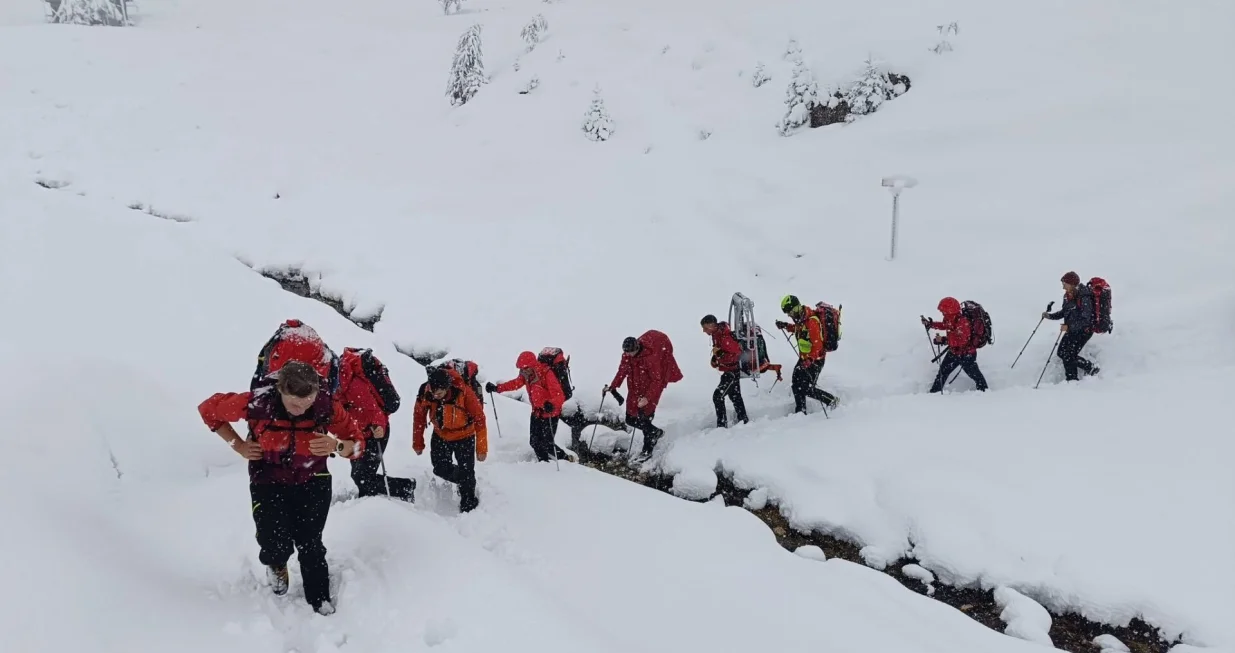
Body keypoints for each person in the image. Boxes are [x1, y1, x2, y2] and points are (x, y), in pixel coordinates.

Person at [198, 361, 366, 616]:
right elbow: (209, 410)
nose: (301, 409)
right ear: (280, 391)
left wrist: (336, 446)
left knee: (310, 541)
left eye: (307, 402)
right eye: (294, 403)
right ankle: (277, 563)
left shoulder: (326, 406)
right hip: (268, 479)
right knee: (273, 539)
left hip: (314, 478)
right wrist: (239, 445)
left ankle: (318, 596)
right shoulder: (256, 403)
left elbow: (357, 445)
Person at [337, 347, 415, 501]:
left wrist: (378, 427)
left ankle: (403, 489)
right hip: (357, 433)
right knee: (358, 475)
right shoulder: (335, 384)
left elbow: (374, 411)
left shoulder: (353, 385)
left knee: (363, 477)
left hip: (375, 433)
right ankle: (371, 503)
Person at [413, 367, 488, 512]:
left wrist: (481, 448)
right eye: (433, 392)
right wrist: (418, 442)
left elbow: (479, 419)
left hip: (465, 436)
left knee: (467, 470)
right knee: (440, 468)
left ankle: (469, 504)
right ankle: (465, 480)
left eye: (439, 392)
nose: (436, 395)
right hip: (440, 435)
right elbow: (419, 418)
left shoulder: (464, 391)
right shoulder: (426, 392)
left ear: (447, 387)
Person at [604, 330, 683, 458]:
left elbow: (657, 380)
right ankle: (655, 432)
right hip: (634, 390)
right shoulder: (627, 355)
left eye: (630, 352)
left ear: (637, 347)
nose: (628, 355)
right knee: (630, 419)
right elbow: (622, 371)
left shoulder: (650, 358)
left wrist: (647, 398)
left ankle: (647, 450)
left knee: (645, 417)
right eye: (626, 352)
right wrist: (613, 386)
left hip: (650, 390)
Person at [486, 351, 572, 462]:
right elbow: (515, 383)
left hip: (550, 413)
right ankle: (543, 463)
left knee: (547, 444)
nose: (523, 371)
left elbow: (559, 395)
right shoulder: (527, 375)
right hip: (536, 412)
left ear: (532, 365)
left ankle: (565, 459)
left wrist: (551, 404)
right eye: (521, 368)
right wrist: (497, 388)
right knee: (534, 442)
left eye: (525, 368)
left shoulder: (547, 374)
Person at [775, 295, 838, 414]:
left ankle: (831, 400)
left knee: (806, 388)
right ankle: (800, 411)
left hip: (815, 361)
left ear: (797, 307)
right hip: (804, 359)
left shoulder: (812, 321)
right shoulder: (801, 319)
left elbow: (817, 346)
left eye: (790, 311)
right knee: (796, 385)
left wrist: (809, 360)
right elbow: (798, 329)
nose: (790, 315)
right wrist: (785, 326)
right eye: (788, 313)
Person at [922, 297, 989, 393]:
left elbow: (962, 341)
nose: (942, 313)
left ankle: (985, 392)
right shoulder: (950, 318)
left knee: (975, 374)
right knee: (942, 373)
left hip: (967, 354)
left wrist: (944, 340)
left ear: (950, 311)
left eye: (943, 311)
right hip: (954, 352)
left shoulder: (963, 322)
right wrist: (931, 324)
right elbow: (945, 325)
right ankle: (934, 393)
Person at [1043, 271, 1101, 381]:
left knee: (1069, 355)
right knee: (1062, 353)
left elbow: (1086, 319)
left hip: (1084, 331)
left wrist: (1068, 327)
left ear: (1072, 284)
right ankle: (1075, 378)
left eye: (1065, 284)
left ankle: (1086, 370)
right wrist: (1050, 316)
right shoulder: (1067, 296)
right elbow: (1064, 312)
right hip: (1072, 330)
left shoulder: (1084, 297)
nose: (1063, 287)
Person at [701, 314, 749, 428]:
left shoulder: (724, 336)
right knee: (735, 396)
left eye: (705, 328)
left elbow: (737, 354)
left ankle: (722, 426)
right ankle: (744, 421)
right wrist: (716, 358)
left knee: (718, 396)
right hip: (728, 371)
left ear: (712, 325)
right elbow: (722, 351)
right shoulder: (716, 335)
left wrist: (721, 355)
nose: (703, 331)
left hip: (732, 372)